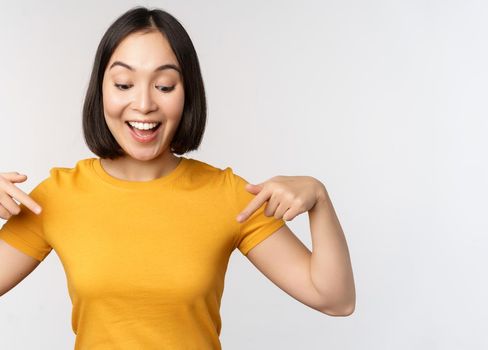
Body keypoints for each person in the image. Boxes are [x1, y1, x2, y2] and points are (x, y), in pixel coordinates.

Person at [0, 6, 355, 349]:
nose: (143, 104)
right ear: (101, 91)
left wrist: (319, 200)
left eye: (165, 86)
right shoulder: (57, 196)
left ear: (187, 94)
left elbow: (335, 299)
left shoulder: (228, 195)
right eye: (124, 84)